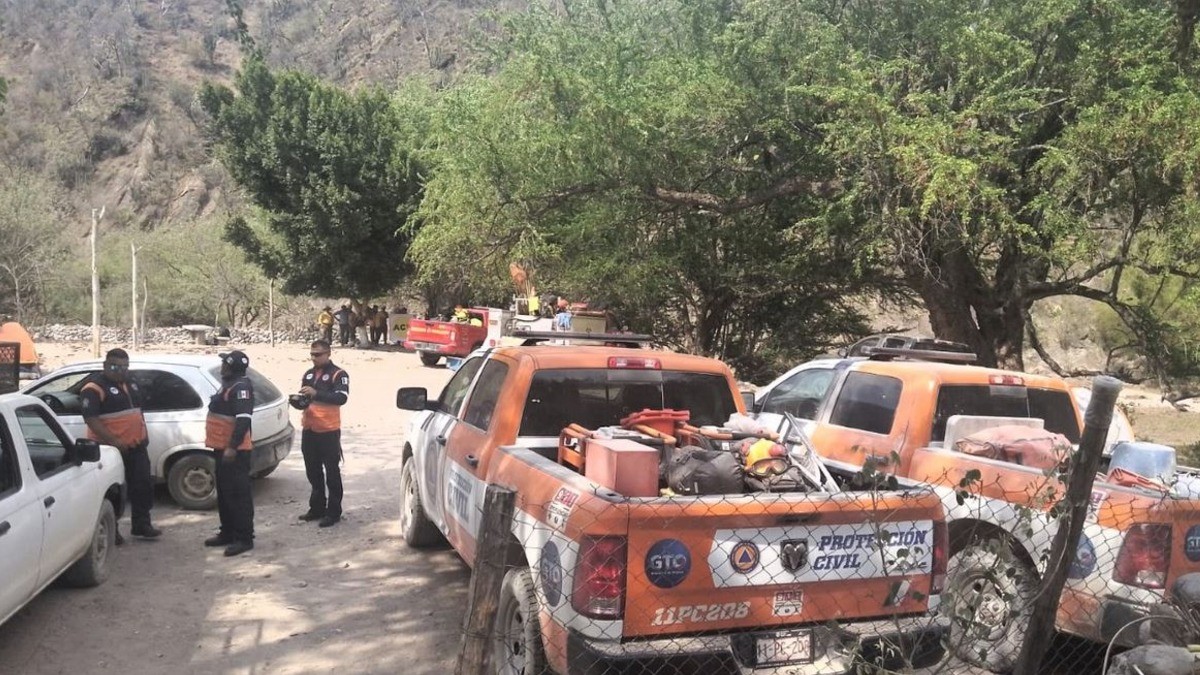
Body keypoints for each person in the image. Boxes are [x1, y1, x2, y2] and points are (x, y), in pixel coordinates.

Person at [80, 348, 160, 543]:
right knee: (114, 491)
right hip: (110, 449)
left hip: (136, 446)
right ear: (105, 365)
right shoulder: (93, 387)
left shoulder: (131, 382)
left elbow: (137, 412)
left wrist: (144, 436)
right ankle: (112, 531)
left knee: (142, 486)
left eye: (125, 367)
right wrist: (114, 441)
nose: (120, 371)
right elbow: (91, 419)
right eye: (115, 366)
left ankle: (142, 525)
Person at [203, 351, 255, 556]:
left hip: (235, 451)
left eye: (224, 363)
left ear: (230, 366)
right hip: (221, 448)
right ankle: (227, 532)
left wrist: (232, 447)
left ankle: (244, 538)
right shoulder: (228, 384)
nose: (222, 365)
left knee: (239, 496)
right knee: (225, 494)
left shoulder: (241, 388)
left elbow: (243, 420)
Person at [293, 340, 349, 527]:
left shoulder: (338, 374)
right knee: (313, 471)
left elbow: (341, 398)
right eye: (312, 354)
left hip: (329, 430)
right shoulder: (308, 374)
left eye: (318, 354)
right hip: (309, 429)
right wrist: (297, 401)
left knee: (332, 472)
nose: (314, 358)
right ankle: (316, 508)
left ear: (328, 353)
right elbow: (306, 399)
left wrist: (316, 393)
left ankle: (333, 512)